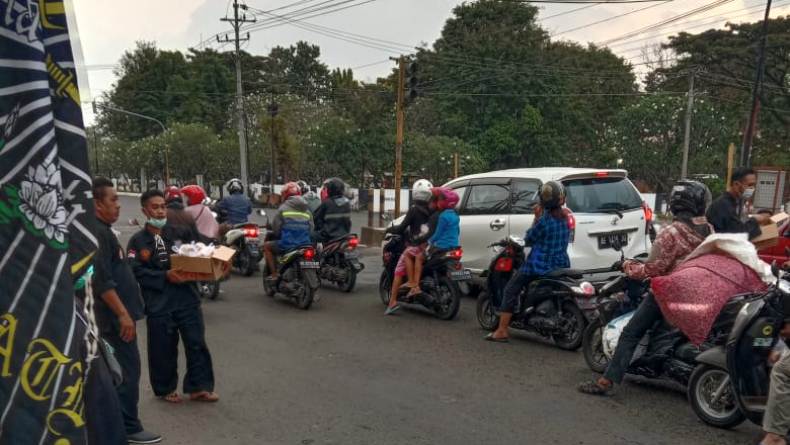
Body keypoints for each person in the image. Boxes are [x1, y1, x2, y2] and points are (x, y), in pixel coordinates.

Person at [578, 180, 714, 395]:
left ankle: (606, 382)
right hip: (699, 291)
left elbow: (653, 268)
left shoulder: (671, 233)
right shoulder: (709, 230)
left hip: (669, 293)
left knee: (631, 333)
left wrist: (628, 266)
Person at [128, 189, 219, 404]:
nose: (160, 211)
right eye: (155, 207)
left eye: (162, 207)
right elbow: (134, 270)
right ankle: (165, 387)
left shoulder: (180, 233)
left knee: (196, 343)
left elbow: (201, 249)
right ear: (144, 210)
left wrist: (212, 256)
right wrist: (164, 276)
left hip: (187, 297)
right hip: (160, 303)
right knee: (163, 348)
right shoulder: (138, 242)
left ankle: (199, 387)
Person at [90, 178, 160, 444]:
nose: (119, 205)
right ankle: (128, 426)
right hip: (113, 321)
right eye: (114, 199)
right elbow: (101, 280)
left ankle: (118, 426)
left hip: (116, 318)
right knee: (126, 373)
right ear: (97, 204)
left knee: (119, 372)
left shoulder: (104, 230)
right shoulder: (98, 233)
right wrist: (122, 313)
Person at [484, 181, 571, 343]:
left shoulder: (544, 221)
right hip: (561, 262)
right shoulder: (566, 217)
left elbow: (529, 240)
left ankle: (502, 330)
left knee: (511, 289)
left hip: (539, 265)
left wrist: (536, 218)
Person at [384, 179, 433, 315]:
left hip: (416, 245)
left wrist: (390, 230)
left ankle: (393, 301)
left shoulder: (414, 210)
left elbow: (402, 227)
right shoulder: (432, 210)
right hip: (429, 245)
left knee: (399, 270)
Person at [403, 186, 461, 298]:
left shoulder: (443, 216)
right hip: (454, 246)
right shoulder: (455, 216)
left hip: (440, 247)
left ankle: (415, 285)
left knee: (419, 257)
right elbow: (457, 231)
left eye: (440, 199)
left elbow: (437, 234)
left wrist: (429, 242)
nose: (438, 201)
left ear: (445, 202)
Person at [263, 182, 314, 280]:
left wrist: (279, 233)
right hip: (305, 244)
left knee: (267, 246)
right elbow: (311, 229)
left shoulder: (283, 208)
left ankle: (274, 275)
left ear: (285, 194)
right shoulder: (307, 210)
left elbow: (276, 229)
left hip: (288, 244)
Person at [706, 167, 770, 238]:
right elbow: (739, 234)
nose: (752, 189)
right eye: (750, 185)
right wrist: (755, 220)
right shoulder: (724, 205)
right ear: (736, 185)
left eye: (754, 185)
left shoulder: (737, 202)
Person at [313, 177, 352, 243]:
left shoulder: (327, 203)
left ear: (331, 189)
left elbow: (316, 217)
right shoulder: (347, 203)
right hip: (344, 235)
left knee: (311, 236)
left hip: (329, 236)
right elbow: (348, 222)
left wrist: (320, 229)